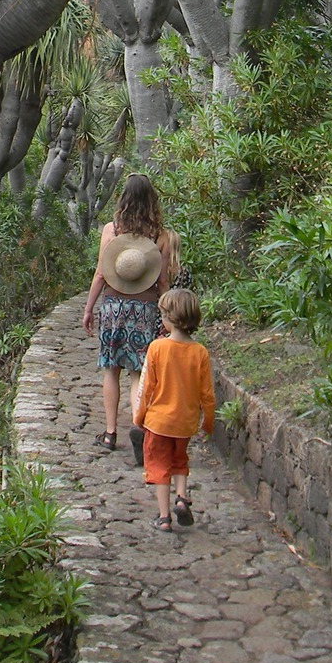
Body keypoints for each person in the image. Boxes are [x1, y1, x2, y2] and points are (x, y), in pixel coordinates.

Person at [81, 173, 180, 456]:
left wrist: (89, 309)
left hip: (113, 307)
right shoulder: (160, 236)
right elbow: (162, 283)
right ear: (151, 200)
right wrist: (168, 315)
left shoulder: (112, 230)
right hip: (146, 309)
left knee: (111, 370)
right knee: (139, 371)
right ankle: (139, 427)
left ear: (124, 198)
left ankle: (110, 434)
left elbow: (101, 273)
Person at [133, 288, 213, 531]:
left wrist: (139, 416)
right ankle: (181, 497)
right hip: (184, 422)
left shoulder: (158, 348)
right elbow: (207, 394)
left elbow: (147, 387)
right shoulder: (200, 352)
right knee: (180, 460)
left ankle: (164, 516)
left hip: (158, 421)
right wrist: (207, 422)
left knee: (158, 466)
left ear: (168, 318)